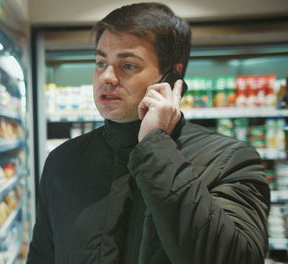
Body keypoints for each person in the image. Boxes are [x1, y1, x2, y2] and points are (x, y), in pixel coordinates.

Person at [27, 2, 270, 264]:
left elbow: (237, 258)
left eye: (128, 65)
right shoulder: (63, 161)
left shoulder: (230, 160)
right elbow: (43, 255)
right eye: (100, 62)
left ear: (172, 77)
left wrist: (155, 148)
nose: (107, 76)